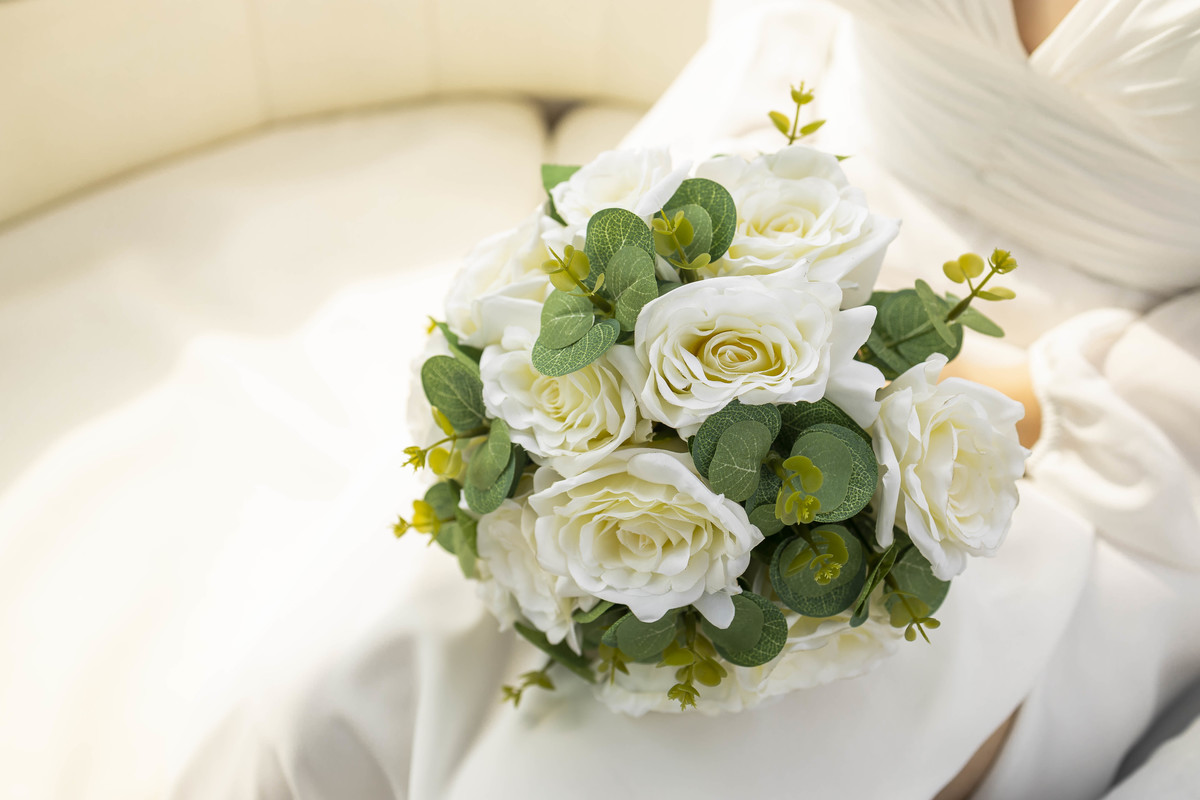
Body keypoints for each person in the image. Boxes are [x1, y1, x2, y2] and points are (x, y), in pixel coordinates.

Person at [171, 1, 1200, 797]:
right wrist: (662, 268)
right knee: (326, 688)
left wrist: (877, 369)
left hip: (1111, 438)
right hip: (783, 249)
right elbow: (783, 36)